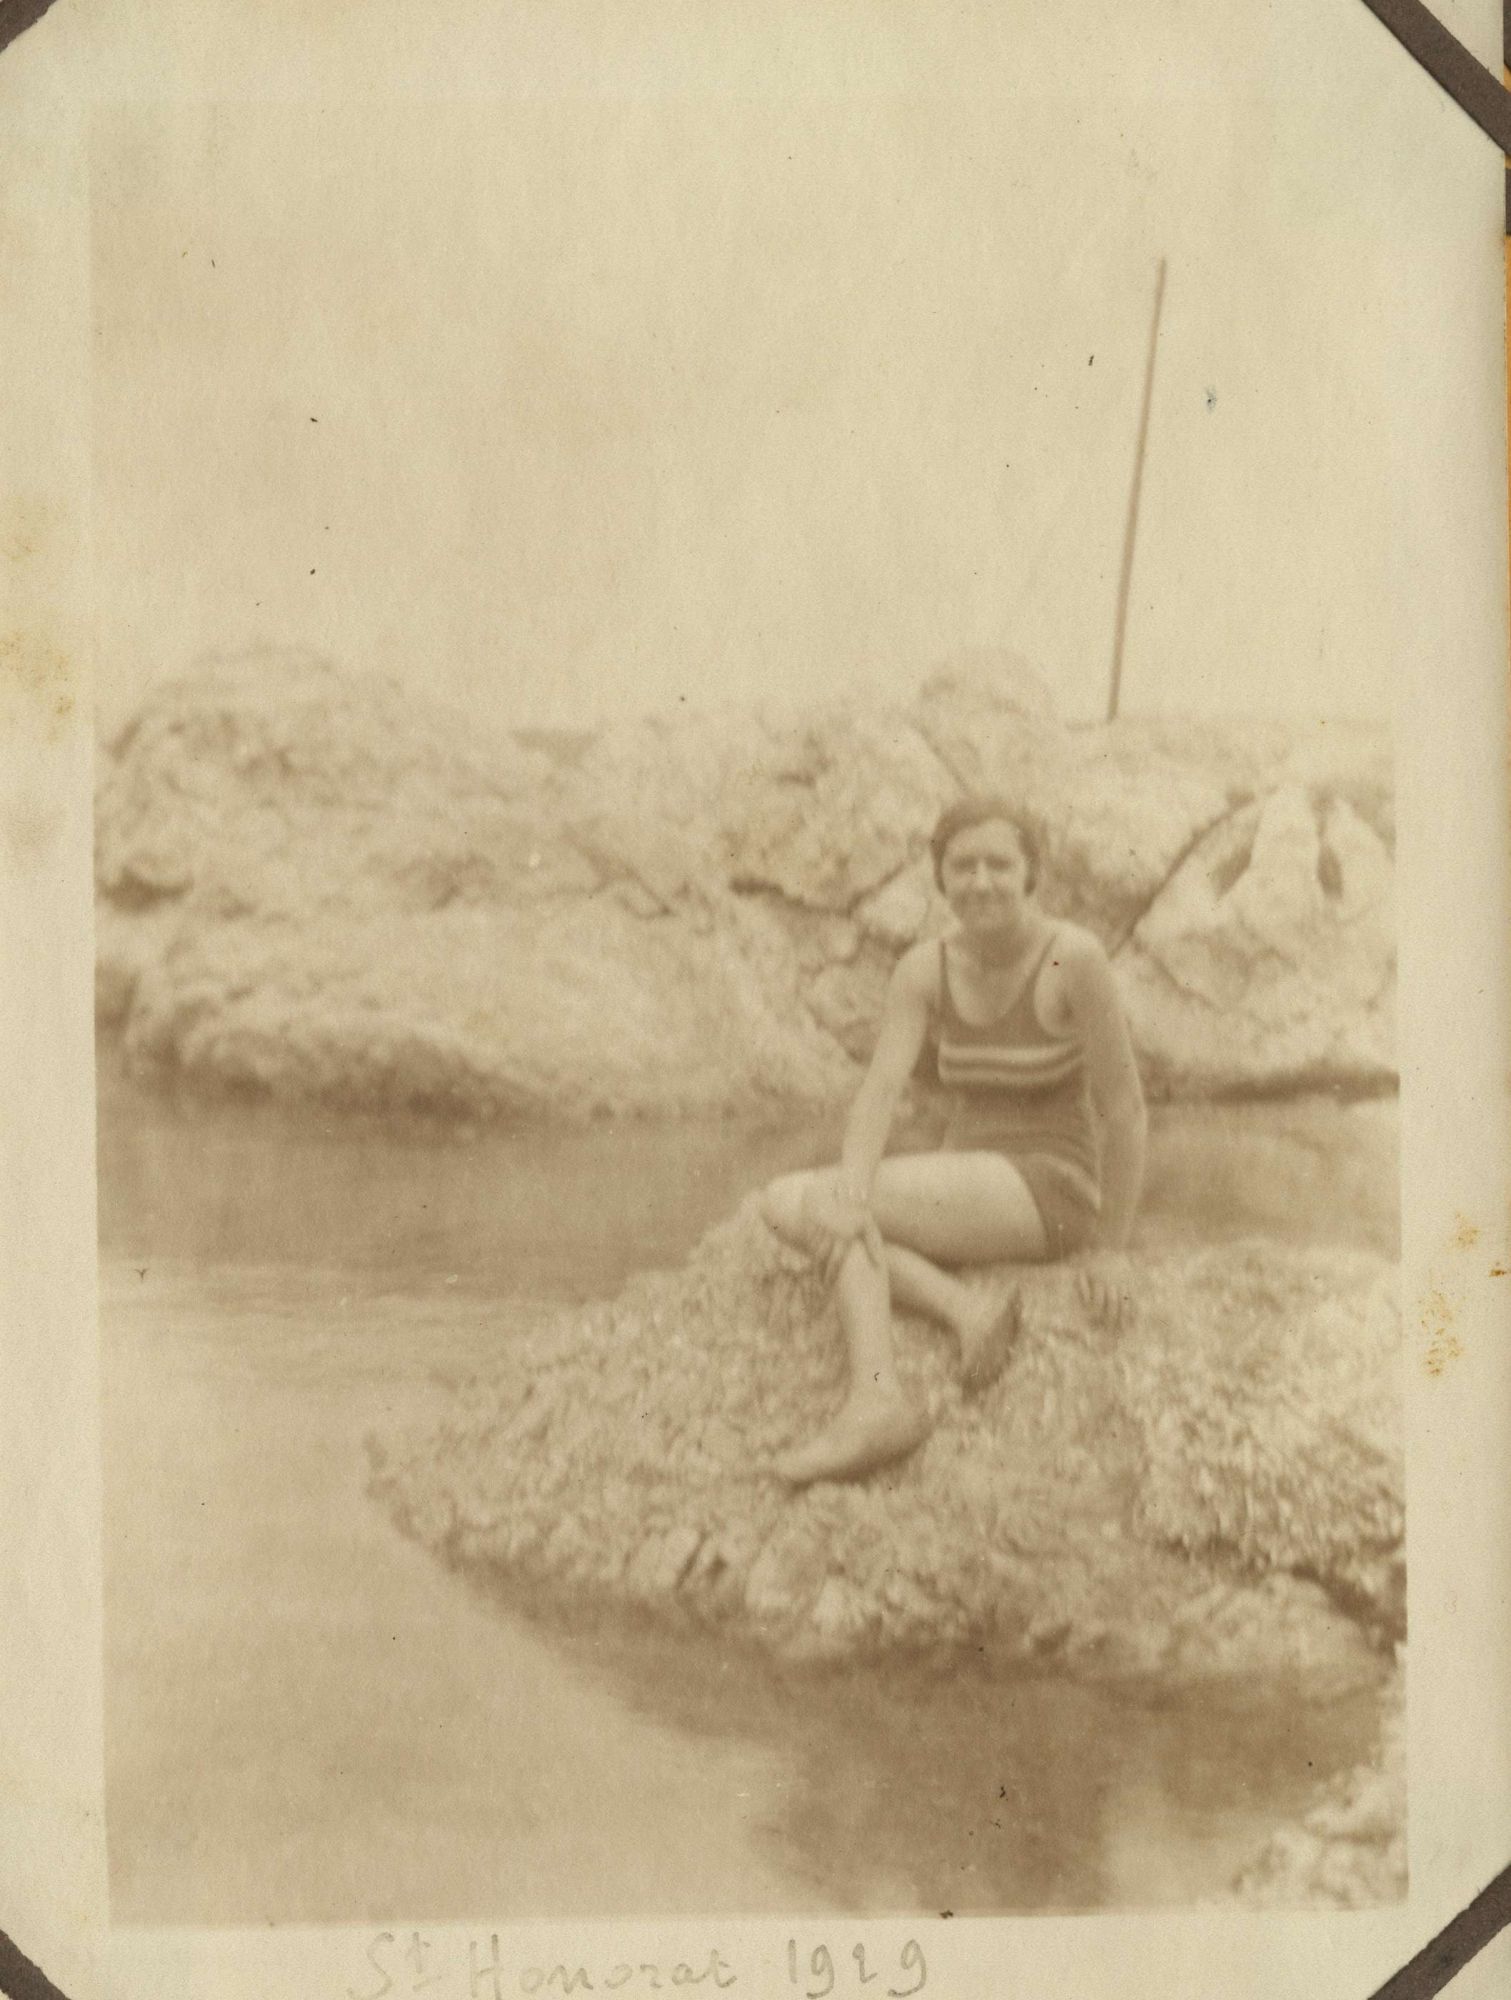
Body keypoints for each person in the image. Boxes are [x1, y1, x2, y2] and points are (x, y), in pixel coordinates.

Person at [761, 793, 1147, 1486]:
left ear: (1031, 873)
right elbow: (881, 1089)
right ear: (940, 877)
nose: (980, 881)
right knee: (786, 1203)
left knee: (825, 1202)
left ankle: (876, 1400)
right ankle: (962, 1308)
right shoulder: (924, 968)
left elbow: (1125, 1111)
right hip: (968, 1181)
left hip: (1050, 1186)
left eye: (999, 864)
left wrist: (1112, 1250)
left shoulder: (1073, 958)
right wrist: (851, 1191)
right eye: (962, 866)